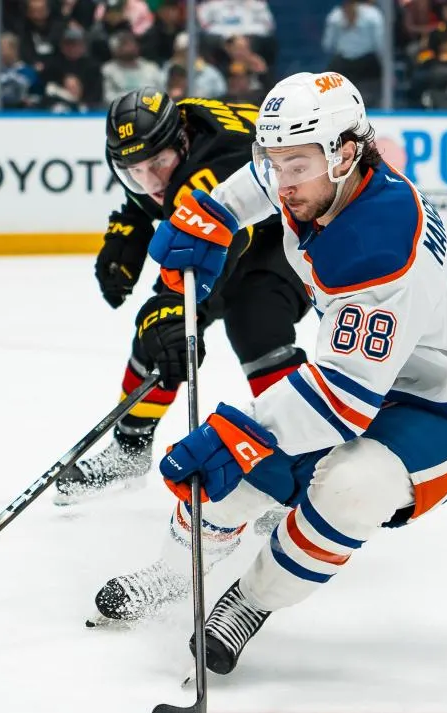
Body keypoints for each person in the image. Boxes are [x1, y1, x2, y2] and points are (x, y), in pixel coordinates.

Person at [100, 72, 447, 676]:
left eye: (295, 165)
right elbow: (263, 183)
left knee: (349, 485)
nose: (282, 182)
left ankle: (250, 601)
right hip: (376, 373)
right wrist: (213, 215)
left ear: (346, 152)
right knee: (248, 464)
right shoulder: (321, 177)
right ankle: (171, 577)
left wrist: (231, 435)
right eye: (274, 162)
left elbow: (341, 404)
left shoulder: (378, 247)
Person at [56, 90, 311, 547]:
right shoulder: (166, 139)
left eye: (158, 165)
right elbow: (152, 197)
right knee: (156, 331)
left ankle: (298, 464)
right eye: (134, 172)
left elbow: (219, 237)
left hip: (287, 233)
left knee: (257, 326)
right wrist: (129, 228)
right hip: (225, 226)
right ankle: (129, 450)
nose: (150, 180)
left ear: (185, 142)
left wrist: (173, 307)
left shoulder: (214, 165)